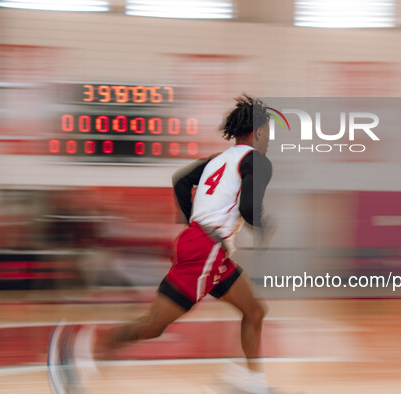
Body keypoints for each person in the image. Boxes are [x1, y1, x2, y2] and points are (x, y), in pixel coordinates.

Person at [48, 95, 274, 394]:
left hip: (204, 247)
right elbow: (247, 208)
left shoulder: (217, 160)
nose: (269, 138)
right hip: (206, 250)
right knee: (153, 326)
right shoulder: (257, 160)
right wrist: (263, 225)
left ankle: (252, 383)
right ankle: (76, 354)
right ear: (258, 131)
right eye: (268, 131)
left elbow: (181, 180)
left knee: (254, 311)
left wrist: (194, 222)